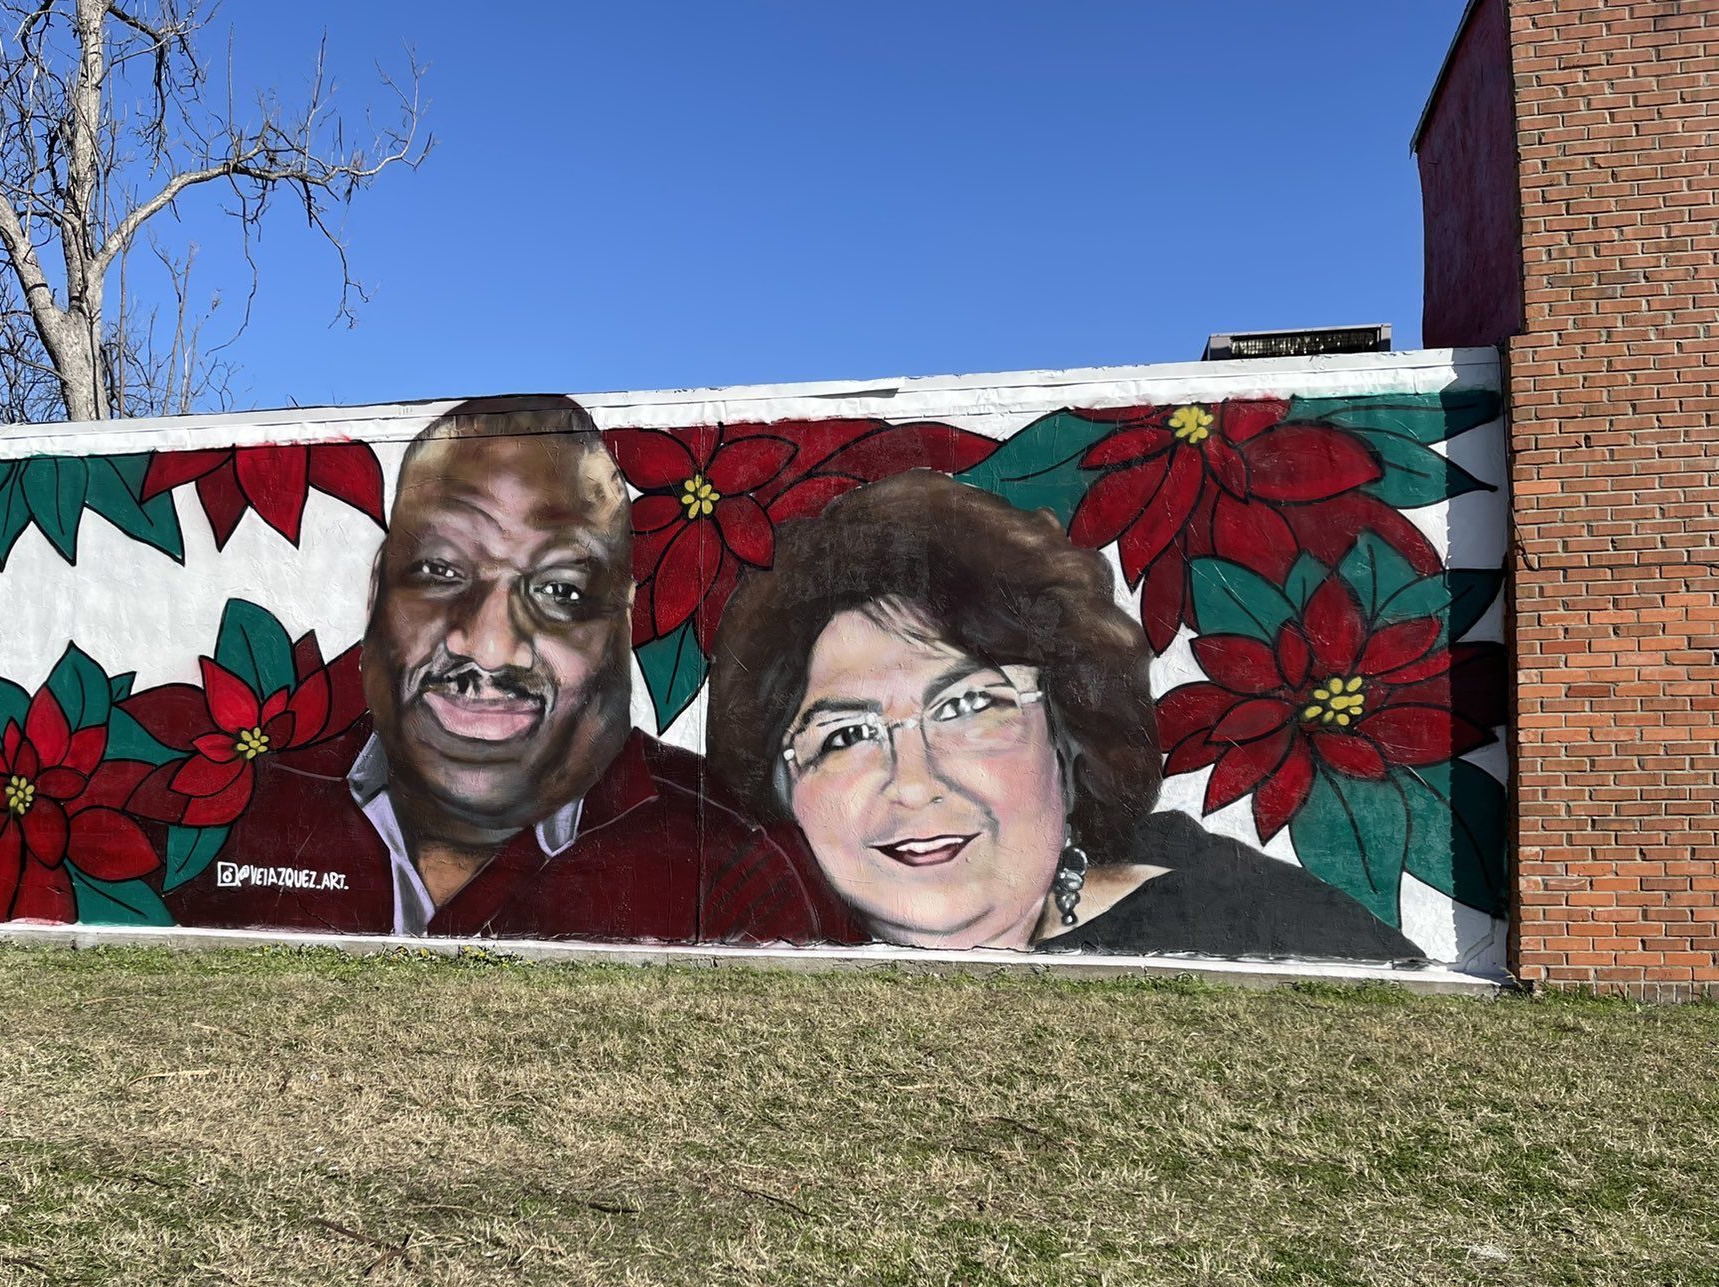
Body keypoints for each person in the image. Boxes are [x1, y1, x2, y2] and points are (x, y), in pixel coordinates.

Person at [167, 395, 821, 945]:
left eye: (560, 589)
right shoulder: (246, 810)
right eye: (440, 571)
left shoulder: (729, 869)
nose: (487, 648)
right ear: (378, 592)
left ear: (620, 617)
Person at [704, 471, 1424, 963]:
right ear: (784, 786)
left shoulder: (1260, 930)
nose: (912, 782)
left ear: (1067, 732)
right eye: (848, 734)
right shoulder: (757, 952)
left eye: (966, 706)